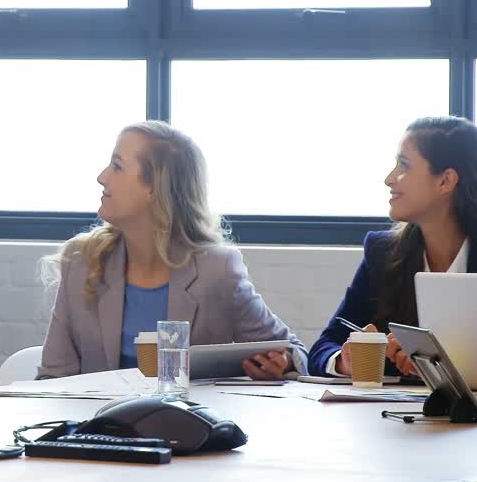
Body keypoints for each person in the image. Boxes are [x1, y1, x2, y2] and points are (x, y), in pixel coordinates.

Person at [38, 121, 305, 380]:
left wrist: (281, 364)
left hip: (188, 413)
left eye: (117, 166)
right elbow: (52, 378)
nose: (102, 177)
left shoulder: (217, 270)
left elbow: (295, 352)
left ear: (155, 187)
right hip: (98, 414)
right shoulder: (81, 260)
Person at [309, 116, 477, 379]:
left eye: (404, 165)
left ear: (445, 181)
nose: (389, 179)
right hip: (395, 407)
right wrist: (345, 361)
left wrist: (442, 365)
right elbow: (323, 347)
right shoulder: (383, 252)